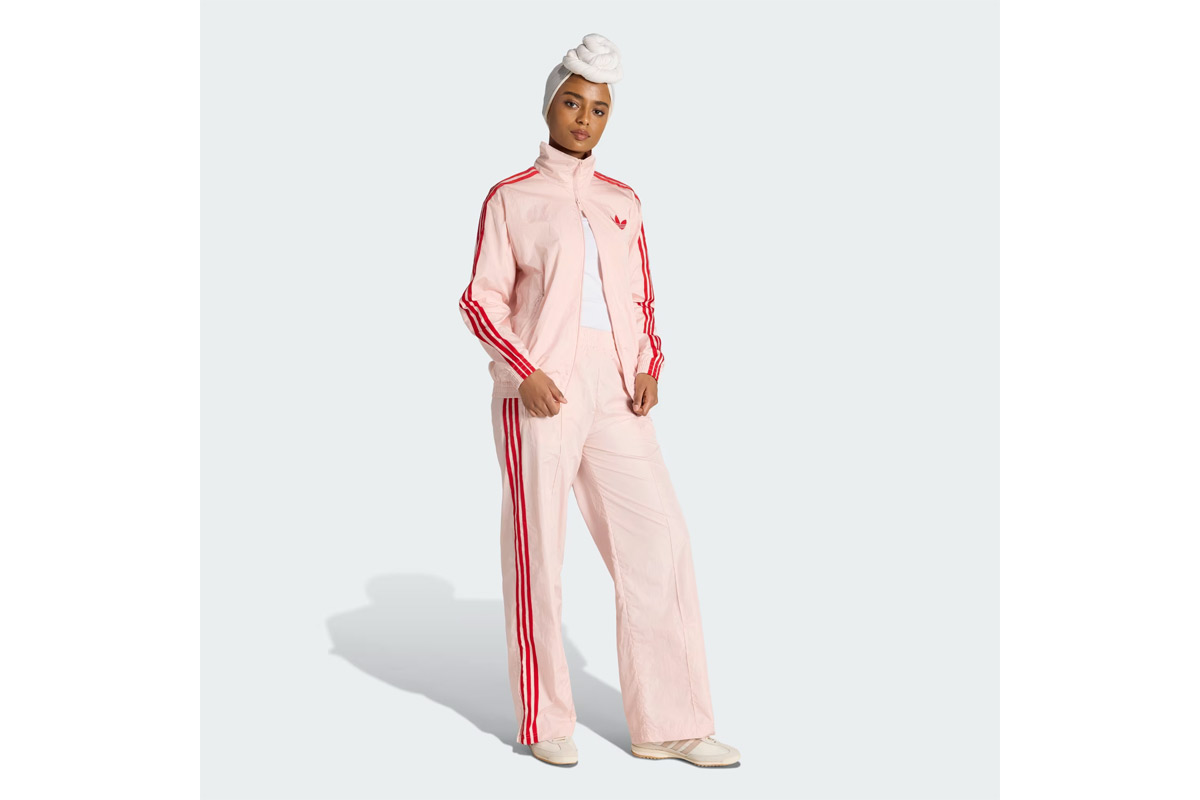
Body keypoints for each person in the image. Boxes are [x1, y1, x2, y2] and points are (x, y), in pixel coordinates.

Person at [457, 33, 741, 768]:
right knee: (539, 550)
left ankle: (670, 723)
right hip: (541, 387)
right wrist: (523, 370)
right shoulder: (512, 197)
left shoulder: (623, 201)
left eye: (599, 109)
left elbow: (642, 298)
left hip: (616, 389)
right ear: (550, 104)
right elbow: (481, 298)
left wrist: (648, 365)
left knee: (661, 542)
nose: (585, 119)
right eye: (573, 103)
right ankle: (545, 718)